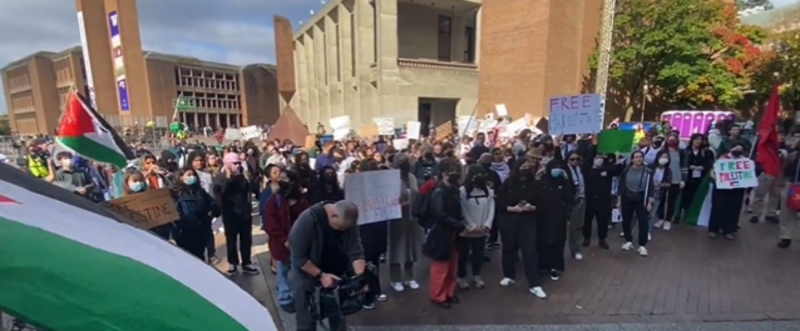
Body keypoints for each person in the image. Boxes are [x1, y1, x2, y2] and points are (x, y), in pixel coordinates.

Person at [289, 200, 367, 331]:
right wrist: (321, 275)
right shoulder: (307, 221)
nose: (343, 231)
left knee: (339, 321)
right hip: (307, 278)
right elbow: (299, 258)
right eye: (341, 228)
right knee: (306, 324)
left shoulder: (347, 219)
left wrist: (362, 278)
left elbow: (355, 250)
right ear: (333, 216)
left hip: (336, 277)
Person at [264, 169, 309, 313]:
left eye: (285, 178)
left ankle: (300, 296)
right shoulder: (273, 200)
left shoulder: (302, 199)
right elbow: (270, 224)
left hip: (300, 242)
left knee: (299, 270)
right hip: (280, 243)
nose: (282, 180)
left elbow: (307, 218)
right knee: (282, 271)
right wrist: (284, 240)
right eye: (280, 178)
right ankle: (285, 298)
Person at [423, 158, 465, 309]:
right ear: (443, 173)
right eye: (451, 171)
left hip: (451, 233)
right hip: (442, 233)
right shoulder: (440, 191)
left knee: (451, 265)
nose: (455, 174)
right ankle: (438, 295)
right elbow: (440, 215)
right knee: (441, 266)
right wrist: (458, 224)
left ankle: (449, 291)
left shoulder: (452, 189)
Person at [214, 152, 259, 275]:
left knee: (246, 239)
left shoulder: (242, 176)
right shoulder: (220, 177)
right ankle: (233, 262)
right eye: (235, 163)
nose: (238, 165)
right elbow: (220, 191)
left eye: (239, 163)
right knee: (231, 240)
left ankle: (246, 262)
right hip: (230, 214)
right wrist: (228, 178)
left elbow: (249, 191)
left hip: (244, 213)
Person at [534, 159, 573, 288]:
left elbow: (569, 197)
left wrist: (567, 180)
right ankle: (542, 266)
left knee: (558, 242)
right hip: (543, 217)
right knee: (543, 241)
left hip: (558, 217)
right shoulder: (541, 180)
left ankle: (555, 267)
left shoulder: (563, 181)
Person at [387, 153, 423, 292]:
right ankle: (395, 279)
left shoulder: (412, 177)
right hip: (397, 220)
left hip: (412, 218)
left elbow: (417, 194)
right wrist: (398, 205)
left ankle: (410, 276)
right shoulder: (390, 179)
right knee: (397, 248)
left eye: (407, 161)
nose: (405, 164)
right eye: (402, 162)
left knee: (411, 248)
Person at [456, 164, 494, 290]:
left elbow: (491, 208)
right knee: (463, 254)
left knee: (478, 254)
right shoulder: (462, 191)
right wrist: (471, 225)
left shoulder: (487, 191)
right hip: (467, 230)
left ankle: (477, 275)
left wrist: (487, 224)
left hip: (482, 229)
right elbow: (462, 209)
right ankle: (461, 276)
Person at [171, 167, 220, 259]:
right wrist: (189, 221)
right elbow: (176, 213)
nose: (192, 177)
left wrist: (212, 211)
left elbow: (212, 203)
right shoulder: (175, 194)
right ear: (181, 178)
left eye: (193, 175)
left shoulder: (200, 191)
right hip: (186, 233)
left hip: (202, 231)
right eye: (189, 175)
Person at [582, 149, 623, 249]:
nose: (599, 160)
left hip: (603, 200)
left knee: (602, 220)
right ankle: (586, 237)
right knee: (587, 220)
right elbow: (586, 162)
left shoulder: (606, 169)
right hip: (590, 200)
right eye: (597, 158)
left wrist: (617, 158)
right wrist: (594, 147)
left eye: (601, 158)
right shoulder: (587, 170)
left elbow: (618, 170)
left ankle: (602, 239)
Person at [617, 150, 655, 256]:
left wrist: (649, 202)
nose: (638, 159)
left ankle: (642, 245)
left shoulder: (648, 171)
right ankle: (628, 240)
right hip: (627, 197)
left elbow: (651, 188)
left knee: (643, 221)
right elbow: (621, 186)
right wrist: (619, 201)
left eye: (640, 157)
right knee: (627, 221)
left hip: (642, 198)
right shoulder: (626, 171)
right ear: (632, 159)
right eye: (636, 157)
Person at [708, 143, 748, 240]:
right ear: (731, 149)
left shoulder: (745, 162)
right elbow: (713, 171)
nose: (738, 150)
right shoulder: (723, 158)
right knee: (718, 207)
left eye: (740, 149)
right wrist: (715, 178)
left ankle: (728, 230)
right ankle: (713, 229)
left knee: (733, 209)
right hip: (721, 187)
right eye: (736, 147)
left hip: (737, 189)